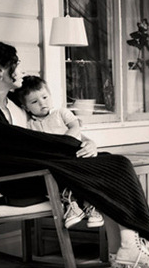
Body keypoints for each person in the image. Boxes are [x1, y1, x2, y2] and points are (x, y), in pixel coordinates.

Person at [0, 41, 149, 268]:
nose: (22, 70)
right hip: (18, 182)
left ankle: (123, 258)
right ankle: (126, 255)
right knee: (116, 165)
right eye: (16, 64)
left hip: (39, 168)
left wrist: (85, 142)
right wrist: (69, 146)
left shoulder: (13, 103)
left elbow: (40, 134)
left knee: (113, 164)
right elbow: (16, 149)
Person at [11, 74, 104, 230]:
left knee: (85, 173)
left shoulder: (61, 113)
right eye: (34, 102)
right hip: (55, 161)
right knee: (60, 176)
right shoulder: (30, 125)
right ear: (26, 107)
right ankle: (73, 206)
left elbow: (75, 127)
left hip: (73, 153)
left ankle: (91, 206)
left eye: (45, 97)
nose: (42, 103)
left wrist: (63, 143)